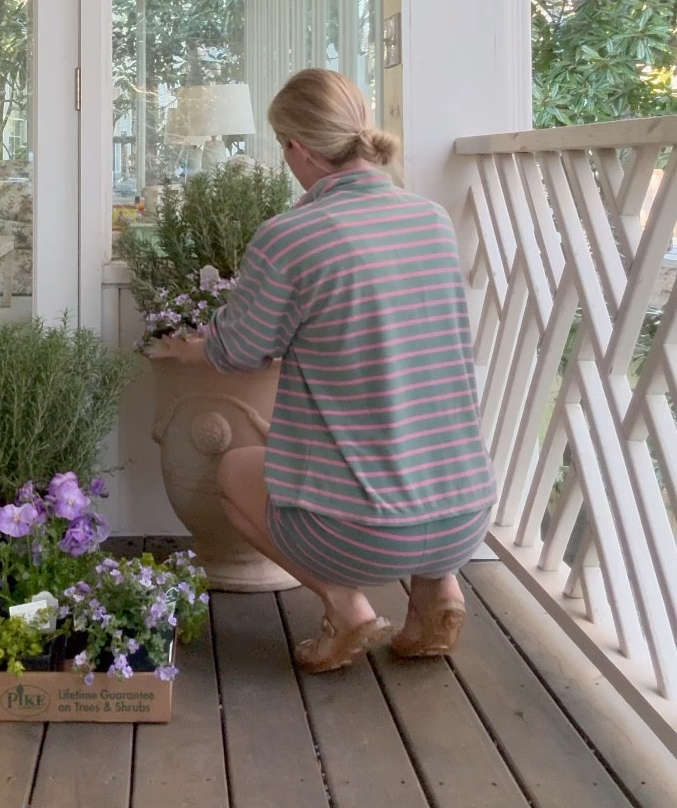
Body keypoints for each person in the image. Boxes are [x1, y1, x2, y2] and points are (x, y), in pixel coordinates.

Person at [150, 69, 496, 672]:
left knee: (234, 470)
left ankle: (346, 607)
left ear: (298, 149)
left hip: (359, 535)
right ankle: (438, 592)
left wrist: (189, 349)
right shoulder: (432, 223)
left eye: (283, 147)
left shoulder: (292, 236)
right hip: (465, 517)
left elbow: (239, 352)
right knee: (415, 450)